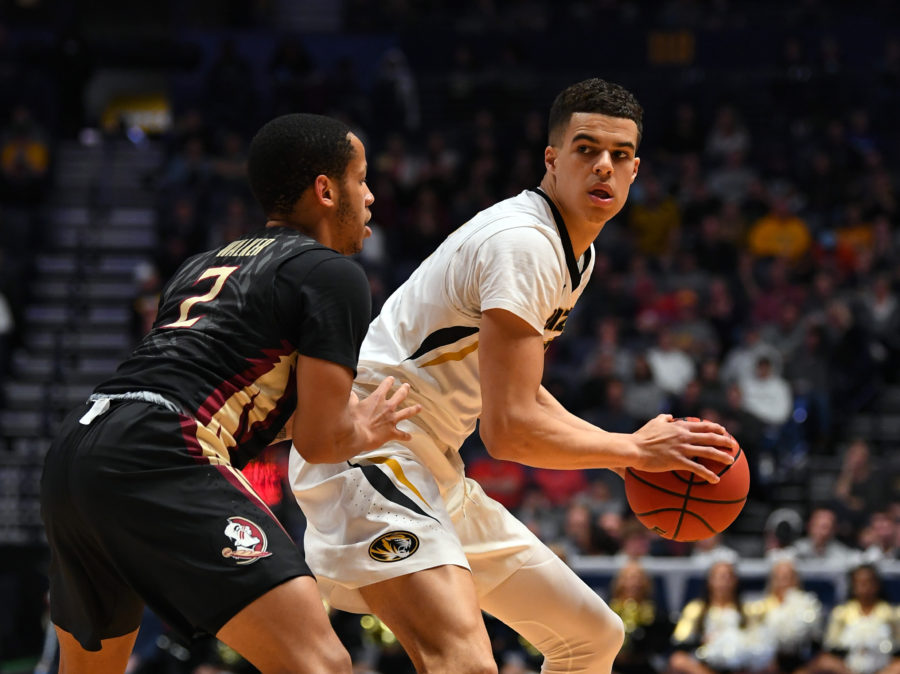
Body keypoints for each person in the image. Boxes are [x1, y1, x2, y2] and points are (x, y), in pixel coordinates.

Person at [289, 77, 737, 673]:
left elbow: (519, 390)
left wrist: (627, 453)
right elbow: (509, 430)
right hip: (371, 452)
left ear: (635, 171)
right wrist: (627, 449)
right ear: (551, 159)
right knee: (465, 665)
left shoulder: (573, 249)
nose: (604, 166)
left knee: (593, 637)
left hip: (433, 466)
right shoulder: (524, 243)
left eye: (620, 156)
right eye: (586, 149)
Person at [39, 113, 421, 674]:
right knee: (323, 666)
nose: (369, 197)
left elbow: (226, 386)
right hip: (160, 449)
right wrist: (365, 426)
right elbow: (321, 441)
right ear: (325, 190)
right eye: (361, 180)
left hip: (79, 446)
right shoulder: (331, 273)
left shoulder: (202, 265)